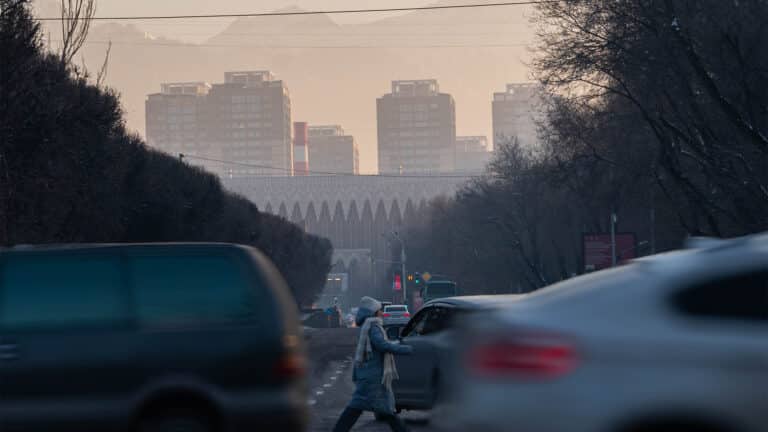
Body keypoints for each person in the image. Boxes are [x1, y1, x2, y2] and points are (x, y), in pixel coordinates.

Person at [332, 296, 413, 432]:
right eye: (379, 310)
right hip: (373, 377)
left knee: (375, 409)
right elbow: (381, 345)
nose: (382, 312)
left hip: (368, 374)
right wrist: (405, 349)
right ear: (373, 312)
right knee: (378, 410)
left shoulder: (367, 325)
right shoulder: (373, 326)